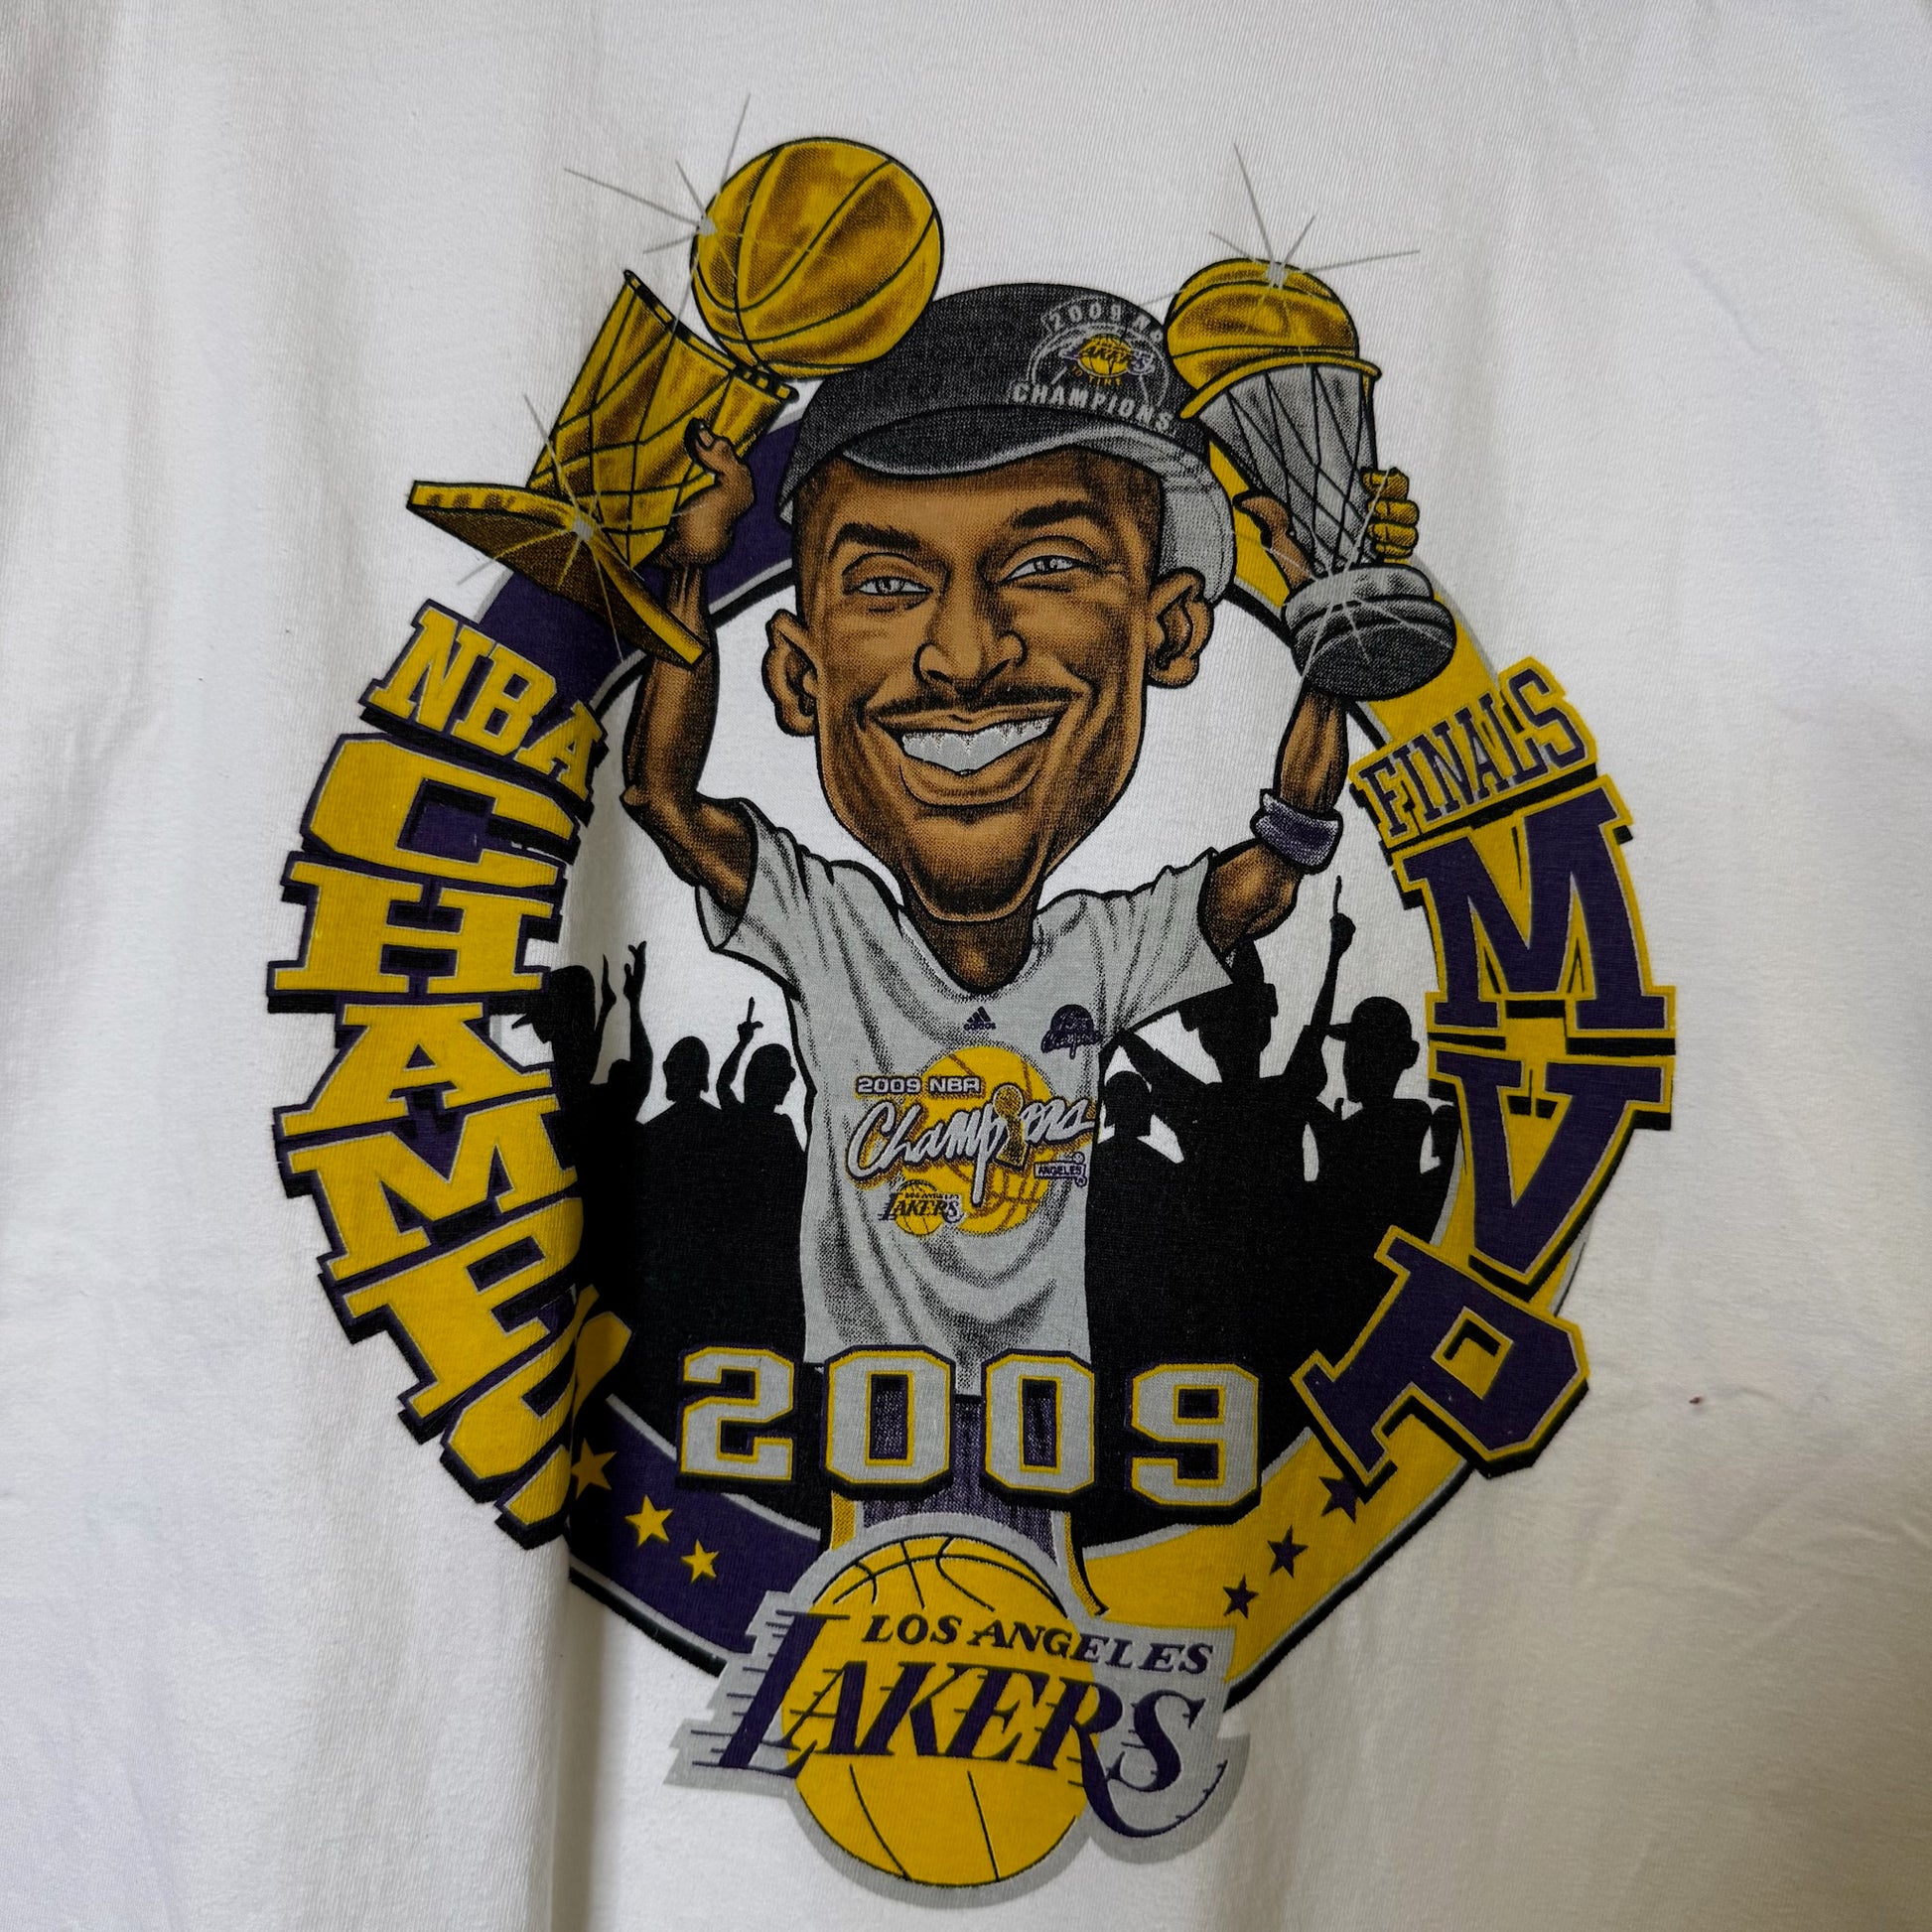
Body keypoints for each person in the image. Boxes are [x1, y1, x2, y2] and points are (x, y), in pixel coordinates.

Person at [620, 282, 1423, 1535]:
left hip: (1043, 1428)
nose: (963, 656)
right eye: (887, 580)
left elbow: (1270, 869)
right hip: (861, 1423)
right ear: (796, 675)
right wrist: (685, 566)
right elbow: (662, 796)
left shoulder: (1101, 949)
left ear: (1170, 632)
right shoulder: (831, 930)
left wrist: (1331, 650)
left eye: (1045, 565)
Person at [1306, 995, 1460, 1357]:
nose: (1352, 1062)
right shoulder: (1358, 1124)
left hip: (1366, 1278)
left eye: (1366, 1051)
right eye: (1351, 1050)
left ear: (1400, 1058)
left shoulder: (1404, 1118)